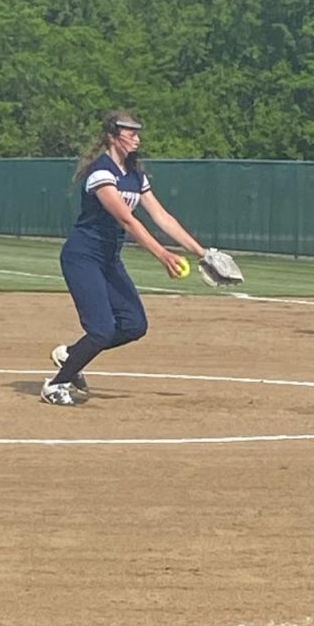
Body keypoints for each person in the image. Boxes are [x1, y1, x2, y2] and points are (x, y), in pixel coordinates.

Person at [41, 109, 208, 406]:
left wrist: (203, 253)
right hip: (83, 256)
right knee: (102, 329)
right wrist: (163, 255)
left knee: (133, 325)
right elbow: (128, 221)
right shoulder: (101, 173)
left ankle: (70, 354)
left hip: (108, 260)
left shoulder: (134, 175)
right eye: (130, 133)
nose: (137, 138)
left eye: (137, 132)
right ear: (111, 135)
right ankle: (56, 385)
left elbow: (163, 217)